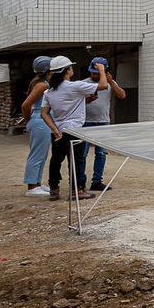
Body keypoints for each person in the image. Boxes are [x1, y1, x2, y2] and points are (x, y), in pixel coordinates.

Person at [39, 56, 111, 202]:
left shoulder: (49, 91)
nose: (72, 69)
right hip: (75, 130)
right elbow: (103, 86)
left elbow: (44, 113)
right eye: (70, 67)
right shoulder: (75, 86)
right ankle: (77, 190)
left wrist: (55, 130)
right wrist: (102, 70)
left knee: (56, 160)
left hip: (58, 131)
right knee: (76, 160)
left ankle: (54, 189)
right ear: (67, 71)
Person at [77, 57, 126, 193]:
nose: (94, 75)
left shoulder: (109, 83)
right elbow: (75, 102)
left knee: (101, 153)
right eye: (93, 73)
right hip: (85, 122)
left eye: (97, 73)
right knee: (82, 154)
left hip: (103, 122)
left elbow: (122, 95)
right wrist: (87, 100)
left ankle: (97, 181)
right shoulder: (83, 83)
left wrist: (112, 82)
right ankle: (80, 182)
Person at [20, 56, 55, 197]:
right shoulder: (42, 85)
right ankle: (32, 186)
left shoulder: (43, 83)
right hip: (40, 121)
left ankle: (37, 183)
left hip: (41, 121)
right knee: (37, 155)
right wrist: (28, 119)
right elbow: (26, 105)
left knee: (42, 154)